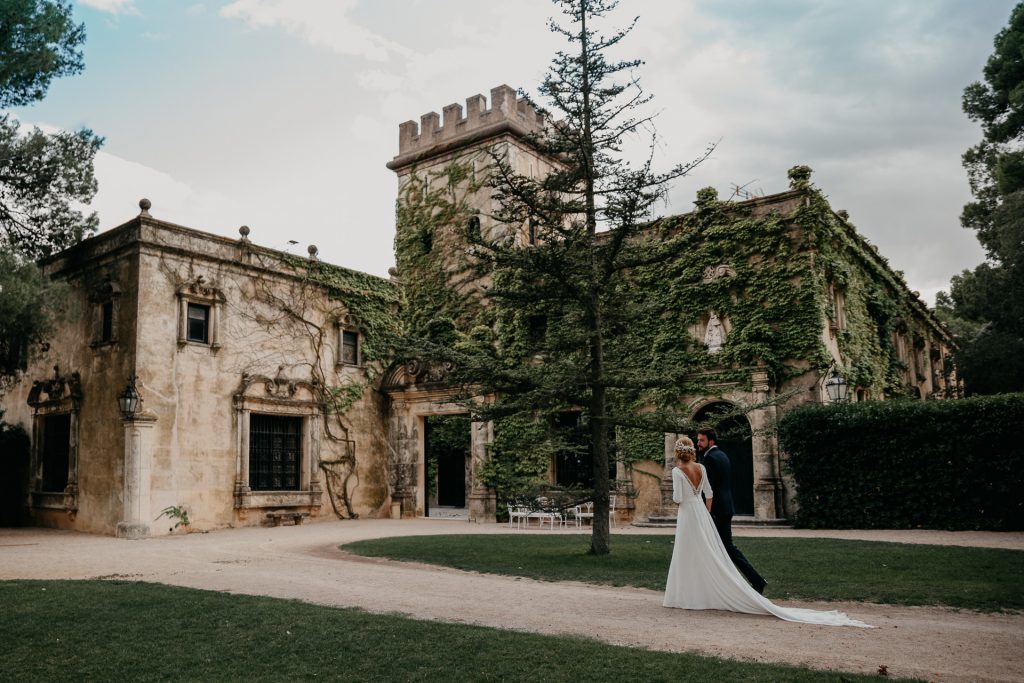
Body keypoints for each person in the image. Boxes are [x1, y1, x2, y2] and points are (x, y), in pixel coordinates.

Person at [663, 436, 872, 627]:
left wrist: (689, 502)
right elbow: (709, 493)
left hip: (688, 515)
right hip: (701, 512)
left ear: (678, 452)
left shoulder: (676, 471)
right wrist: (705, 512)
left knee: (687, 552)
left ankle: (687, 595)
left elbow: (678, 498)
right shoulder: (701, 467)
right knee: (708, 552)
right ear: (691, 450)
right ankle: (703, 592)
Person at [696, 427, 766, 594]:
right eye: (698, 440)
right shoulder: (722, 455)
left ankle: (756, 580)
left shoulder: (710, 459)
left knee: (725, 547)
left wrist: (706, 510)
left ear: (711, 441)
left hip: (717, 509)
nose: (698, 443)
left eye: (701, 440)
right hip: (726, 507)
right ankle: (729, 583)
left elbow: (709, 489)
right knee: (722, 547)